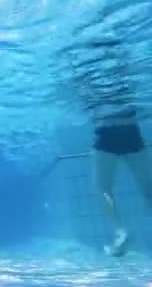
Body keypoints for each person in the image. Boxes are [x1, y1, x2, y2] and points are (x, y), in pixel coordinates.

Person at [57, 40, 152, 257]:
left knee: (103, 189)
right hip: (131, 132)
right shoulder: (122, 85)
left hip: (106, 134)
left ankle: (120, 231)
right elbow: (125, 72)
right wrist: (118, 54)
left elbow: (80, 86)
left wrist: (70, 62)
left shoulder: (90, 89)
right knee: (148, 189)